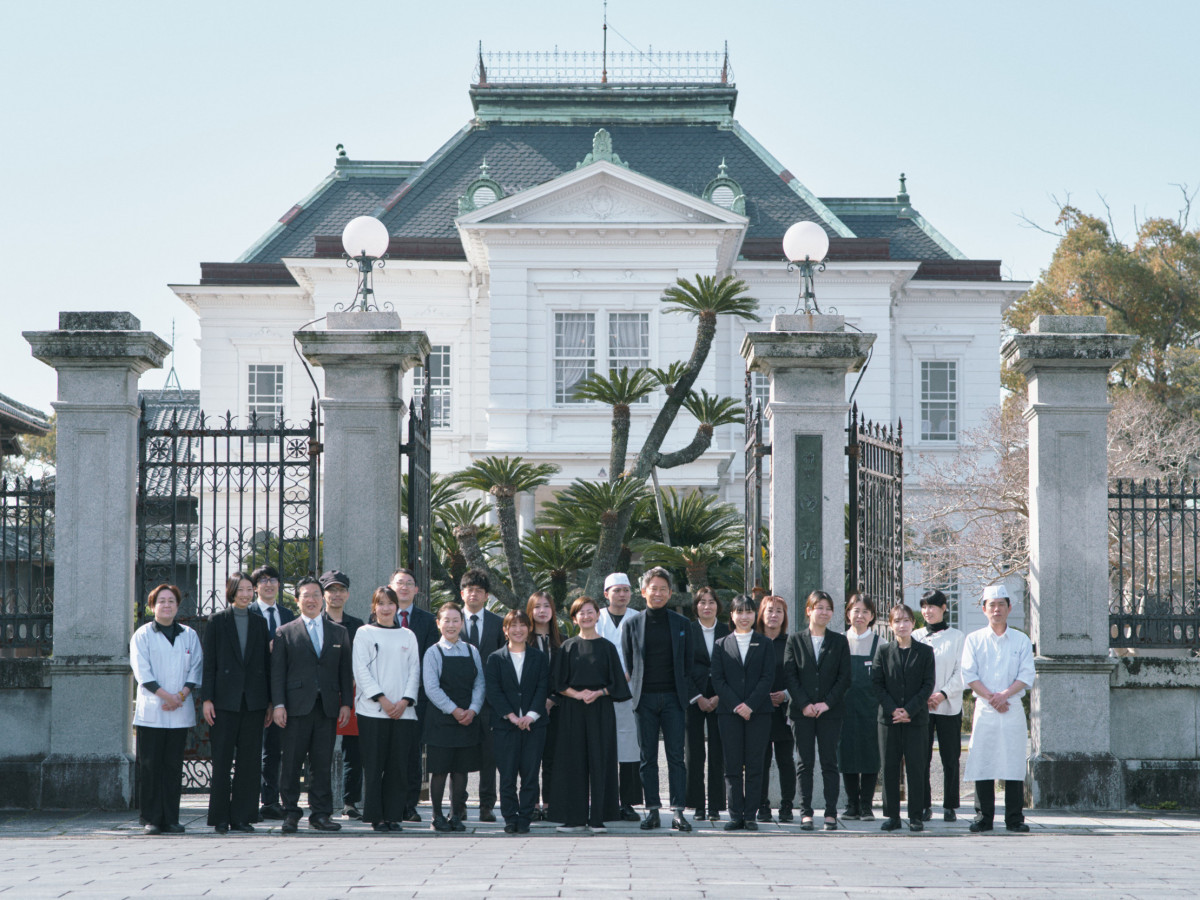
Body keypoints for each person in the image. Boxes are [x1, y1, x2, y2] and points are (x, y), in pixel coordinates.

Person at [271, 575, 353, 833]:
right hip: (295, 707)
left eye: (316, 595)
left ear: (323, 599)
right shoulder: (285, 631)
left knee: (322, 762)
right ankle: (291, 813)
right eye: (306, 596)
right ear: (297, 600)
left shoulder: (339, 632)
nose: (312, 600)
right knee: (292, 762)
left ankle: (320, 814)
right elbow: (278, 673)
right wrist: (278, 704)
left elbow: (345, 671)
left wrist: (346, 704)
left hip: (327, 707)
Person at [622, 566, 700, 832]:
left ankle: (678, 812)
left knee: (676, 756)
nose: (657, 593)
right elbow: (629, 661)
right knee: (647, 758)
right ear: (643, 592)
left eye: (663, 589)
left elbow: (688, 664)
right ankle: (652, 811)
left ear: (670, 593)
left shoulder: (682, 624)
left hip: (673, 699)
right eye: (653, 588)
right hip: (644, 699)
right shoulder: (632, 624)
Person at [549, 595, 632, 833]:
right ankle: (573, 818)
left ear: (597, 615)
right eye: (580, 613)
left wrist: (598, 693)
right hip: (572, 711)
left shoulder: (607, 647)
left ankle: (598, 818)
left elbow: (618, 683)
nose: (586, 616)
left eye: (590, 612)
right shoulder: (568, 646)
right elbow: (558, 682)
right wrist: (578, 694)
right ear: (574, 619)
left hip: (600, 710)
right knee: (572, 761)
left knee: (600, 760)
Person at [962, 583, 1036, 833]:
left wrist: (1004, 695)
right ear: (984, 609)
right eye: (991, 605)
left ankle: (1014, 818)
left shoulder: (1021, 639)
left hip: (1012, 706)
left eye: (1001, 605)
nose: (996, 610)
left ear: (1009, 608)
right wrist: (991, 697)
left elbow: (1027, 675)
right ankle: (983, 817)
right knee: (983, 760)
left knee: (1013, 762)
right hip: (985, 708)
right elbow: (968, 674)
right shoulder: (974, 639)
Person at [130, 583, 203, 835]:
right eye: (161, 601)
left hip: (179, 709)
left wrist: (180, 695)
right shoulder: (142, 635)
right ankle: (151, 818)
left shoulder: (189, 635)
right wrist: (165, 696)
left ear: (177, 605)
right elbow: (142, 672)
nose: (166, 605)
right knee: (150, 765)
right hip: (153, 709)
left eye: (171, 600)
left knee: (173, 766)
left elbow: (195, 668)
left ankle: (171, 818)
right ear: (152, 606)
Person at [202, 572, 272, 834]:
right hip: (223, 702)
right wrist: (206, 698)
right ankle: (220, 817)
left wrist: (268, 702)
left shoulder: (259, 621)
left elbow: (266, 664)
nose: (245, 594)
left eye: (248, 589)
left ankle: (243, 817)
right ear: (231, 591)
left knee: (249, 761)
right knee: (221, 760)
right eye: (240, 589)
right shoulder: (217, 621)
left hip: (253, 701)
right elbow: (210, 663)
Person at [353, 585, 421, 833]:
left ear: (397, 606)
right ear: (374, 607)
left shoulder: (408, 635)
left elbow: (415, 670)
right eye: (380, 603)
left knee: (397, 766)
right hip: (372, 711)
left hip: (404, 712)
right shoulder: (364, 633)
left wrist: (404, 701)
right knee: (374, 765)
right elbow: (361, 671)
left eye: (390, 603)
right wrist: (382, 700)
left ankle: (394, 815)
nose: (386, 608)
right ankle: (376, 816)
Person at [783, 589, 851, 831]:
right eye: (819, 607)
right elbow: (790, 675)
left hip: (830, 712)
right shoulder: (795, 640)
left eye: (828, 608)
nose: (824, 612)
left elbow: (844, 677)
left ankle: (831, 813)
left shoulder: (839, 641)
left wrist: (827, 703)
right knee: (804, 763)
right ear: (808, 611)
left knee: (830, 762)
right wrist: (804, 704)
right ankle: (805, 813)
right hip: (802, 712)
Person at [709, 595, 775, 831]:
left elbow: (768, 677)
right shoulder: (721, 644)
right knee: (732, 765)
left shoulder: (765, 643)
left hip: (759, 712)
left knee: (756, 764)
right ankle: (735, 814)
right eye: (740, 612)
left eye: (749, 612)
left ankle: (751, 815)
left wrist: (751, 705)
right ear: (732, 615)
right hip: (729, 713)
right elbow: (717, 679)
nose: (744, 617)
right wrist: (737, 705)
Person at [422, 602, 486, 832]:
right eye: (446, 620)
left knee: (461, 771)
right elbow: (432, 688)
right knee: (439, 771)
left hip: (468, 719)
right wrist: (455, 710)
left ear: (462, 623)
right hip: (441, 721)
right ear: (438, 624)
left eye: (455, 620)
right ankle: (437, 816)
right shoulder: (433, 652)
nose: (451, 625)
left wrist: (473, 709)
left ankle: (456, 815)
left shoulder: (472, 650)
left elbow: (480, 682)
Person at [872, 603, 936, 832]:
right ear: (890, 625)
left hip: (916, 720)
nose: (902, 625)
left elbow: (928, 685)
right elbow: (877, 684)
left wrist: (909, 710)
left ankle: (916, 815)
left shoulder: (925, 652)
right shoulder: (883, 651)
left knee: (916, 768)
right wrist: (893, 710)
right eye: (897, 621)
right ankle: (892, 816)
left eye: (906, 620)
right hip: (889, 721)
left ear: (913, 623)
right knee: (889, 767)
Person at [486, 609, 550, 834]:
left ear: (529, 628)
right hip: (505, 726)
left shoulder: (539, 658)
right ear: (505, 630)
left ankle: (525, 818)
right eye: (512, 625)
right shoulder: (495, 658)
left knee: (531, 774)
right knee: (507, 775)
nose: (518, 629)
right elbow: (493, 691)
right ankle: (510, 818)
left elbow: (543, 688)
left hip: (534, 725)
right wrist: (512, 716)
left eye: (522, 625)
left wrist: (530, 715)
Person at [388, 566, 438, 823]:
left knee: (412, 754)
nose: (404, 587)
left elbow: (428, 662)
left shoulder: (428, 621)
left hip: (416, 698)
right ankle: (387, 804)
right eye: (399, 582)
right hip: (384, 699)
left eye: (409, 583)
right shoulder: (380, 616)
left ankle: (409, 804)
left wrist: (409, 696)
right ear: (391, 587)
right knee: (387, 752)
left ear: (416, 589)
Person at [914, 588, 966, 823]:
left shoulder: (957, 637)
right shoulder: (915, 636)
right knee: (921, 757)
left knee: (950, 757)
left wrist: (943, 693)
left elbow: (961, 672)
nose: (927, 611)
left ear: (944, 608)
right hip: (922, 706)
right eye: (924, 606)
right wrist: (925, 695)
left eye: (933, 606)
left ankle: (950, 805)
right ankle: (923, 804)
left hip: (949, 705)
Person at [596, 571, 644, 822]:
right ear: (606, 594)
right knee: (601, 747)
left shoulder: (639, 618)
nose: (623, 594)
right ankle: (602, 800)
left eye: (626, 590)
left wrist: (629, 674)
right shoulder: (596, 617)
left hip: (630, 693)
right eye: (617, 590)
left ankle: (628, 803)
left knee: (629, 748)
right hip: (600, 693)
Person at [249, 564, 294, 821]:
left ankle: (272, 800)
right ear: (255, 587)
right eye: (262, 580)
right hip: (254, 692)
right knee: (254, 749)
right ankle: (252, 799)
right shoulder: (249, 612)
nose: (268, 584)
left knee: (275, 750)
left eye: (272, 579)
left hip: (282, 693)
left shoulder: (288, 614)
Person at [459, 568, 504, 822]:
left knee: (489, 756)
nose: (474, 594)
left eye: (479, 590)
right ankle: (460, 804)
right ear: (462, 593)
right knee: (461, 754)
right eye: (469, 590)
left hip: (489, 701)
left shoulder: (498, 623)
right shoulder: (451, 620)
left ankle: (487, 805)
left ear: (486, 596)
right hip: (459, 700)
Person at [320, 569, 366, 820]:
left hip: (352, 692)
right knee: (321, 750)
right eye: (331, 590)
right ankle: (321, 800)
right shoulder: (316, 622)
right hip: (323, 693)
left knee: (353, 751)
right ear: (323, 594)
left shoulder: (357, 625)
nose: (336, 595)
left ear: (347, 594)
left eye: (340, 590)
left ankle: (350, 801)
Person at [686, 586, 729, 823]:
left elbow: (732, 666)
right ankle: (696, 804)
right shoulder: (687, 630)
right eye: (702, 602)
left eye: (711, 602)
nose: (707, 606)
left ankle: (715, 804)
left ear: (717, 606)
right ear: (696, 606)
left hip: (720, 696)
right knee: (693, 753)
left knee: (717, 752)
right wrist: (697, 697)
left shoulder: (727, 630)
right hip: (694, 698)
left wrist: (719, 696)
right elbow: (682, 667)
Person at [838, 593, 881, 821]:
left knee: (870, 756)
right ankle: (851, 804)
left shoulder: (881, 644)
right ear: (847, 614)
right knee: (847, 755)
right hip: (844, 709)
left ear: (872, 616)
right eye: (855, 610)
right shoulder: (839, 642)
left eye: (865, 611)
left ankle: (866, 805)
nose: (860, 615)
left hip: (871, 710)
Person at [754, 594, 795, 823]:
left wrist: (785, 695)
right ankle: (762, 805)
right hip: (758, 710)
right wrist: (761, 697)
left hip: (784, 711)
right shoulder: (753, 640)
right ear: (761, 614)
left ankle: (787, 805)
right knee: (760, 759)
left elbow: (797, 676)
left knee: (785, 760)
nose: (773, 615)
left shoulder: (791, 643)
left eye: (779, 611)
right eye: (769, 610)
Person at [526, 590, 563, 820]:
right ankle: (530, 805)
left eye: (546, 606)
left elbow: (567, 676)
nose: (542, 611)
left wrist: (552, 699)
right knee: (529, 760)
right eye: (537, 606)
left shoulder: (563, 641)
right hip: (528, 710)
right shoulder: (522, 639)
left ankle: (549, 803)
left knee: (552, 759)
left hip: (557, 709)